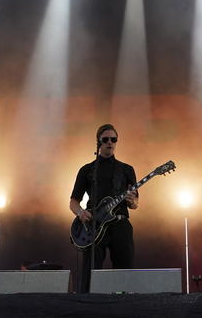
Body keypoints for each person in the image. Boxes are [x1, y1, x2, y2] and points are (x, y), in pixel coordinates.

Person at [69, 124, 138, 293]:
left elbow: (135, 203)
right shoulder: (87, 170)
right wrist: (80, 213)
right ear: (98, 142)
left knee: (124, 267)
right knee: (91, 270)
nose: (110, 142)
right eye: (105, 139)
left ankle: (122, 304)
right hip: (94, 224)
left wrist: (131, 201)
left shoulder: (127, 170)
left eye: (113, 139)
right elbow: (73, 201)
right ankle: (87, 304)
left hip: (120, 223)